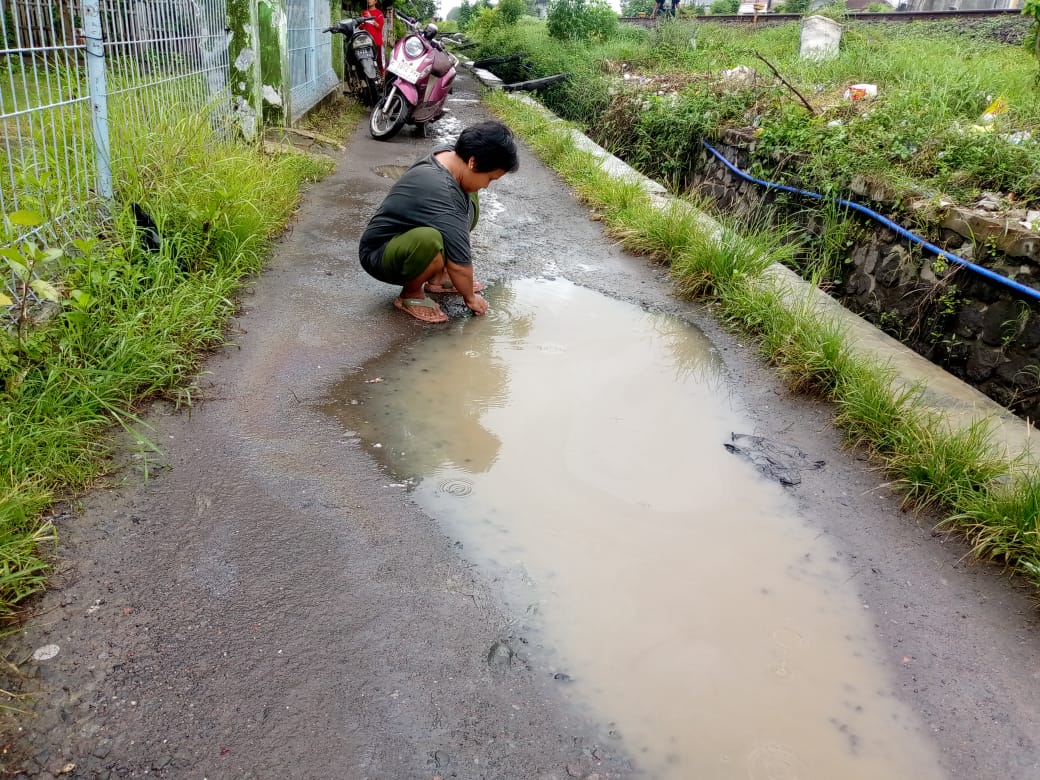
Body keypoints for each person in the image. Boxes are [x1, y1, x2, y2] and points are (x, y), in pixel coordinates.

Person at [359, 120, 520, 323]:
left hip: (407, 238)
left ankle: (439, 277)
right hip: (379, 253)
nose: (487, 185)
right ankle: (411, 294)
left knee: (468, 197)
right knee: (431, 238)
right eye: (490, 178)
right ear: (473, 162)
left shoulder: (451, 154)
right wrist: (470, 298)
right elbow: (460, 265)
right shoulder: (442, 190)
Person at [360, 0, 385, 73]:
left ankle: (382, 76)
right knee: (366, 61)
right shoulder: (364, 13)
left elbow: (379, 27)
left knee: (379, 61)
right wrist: (361, 23)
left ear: (375, 1)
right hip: (366, 41)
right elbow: (361, 27)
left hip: (377, 42)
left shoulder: (379, 13)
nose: (369, 0)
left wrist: (370, 17)